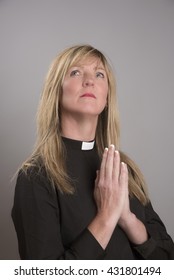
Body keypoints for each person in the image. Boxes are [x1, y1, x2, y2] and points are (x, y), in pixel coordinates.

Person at [12, 44, 174, 260]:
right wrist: (106, 217)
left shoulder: (123, 169)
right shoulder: (36, 175)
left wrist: (127, 218)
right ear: (56, 90)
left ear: (107, 98)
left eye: (99, 74)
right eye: (76, 72)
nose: (89, 80)